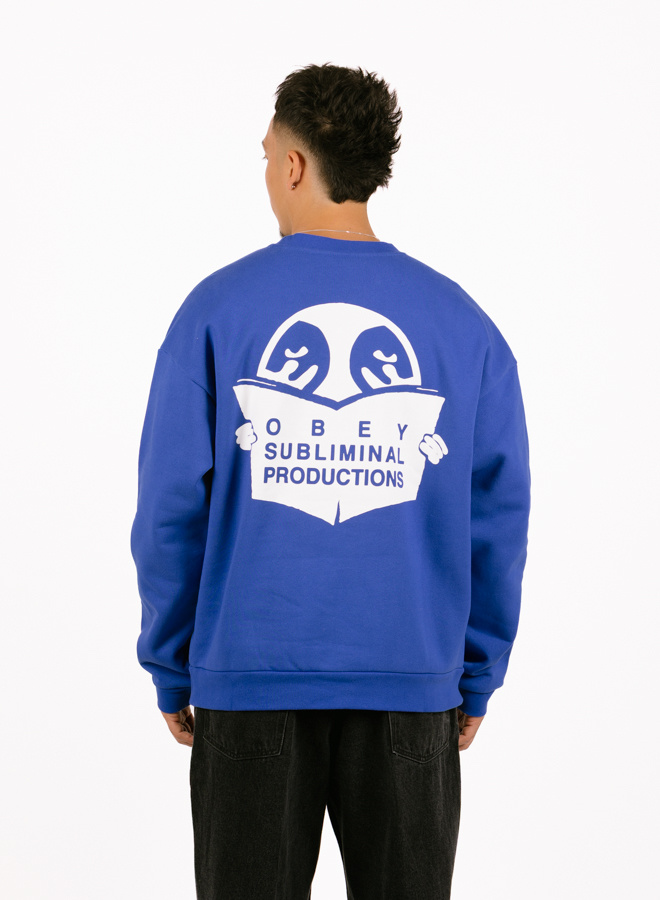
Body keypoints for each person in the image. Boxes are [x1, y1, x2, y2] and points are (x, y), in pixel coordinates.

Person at [130, 62, 531, 900]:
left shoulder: (215, 310)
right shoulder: (463, 324)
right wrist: (475, 671)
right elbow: (499, 515)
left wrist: (172, 660)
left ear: (293, 164)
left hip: (249, 680)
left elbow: (171, 508)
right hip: (411, 684)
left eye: (265, 154)